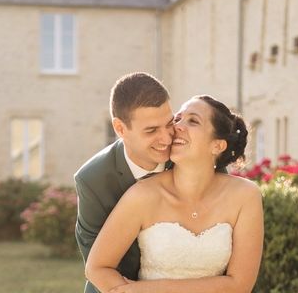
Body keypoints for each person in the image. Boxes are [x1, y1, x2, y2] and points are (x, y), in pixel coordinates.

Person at [85, 95, 264, 293]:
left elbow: (240, 285)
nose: (178, 126)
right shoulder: (143, 195)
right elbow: (97, 268)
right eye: (177, 119)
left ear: (217, 146)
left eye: (193, 121)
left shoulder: (245, 196)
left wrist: (148, 290)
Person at [74, 72, 175, 293]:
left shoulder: (195, 158)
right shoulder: (92, 180)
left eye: (169, 124)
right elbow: (97, 266)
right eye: (151, 130)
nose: (167, 139)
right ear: (120, 129)